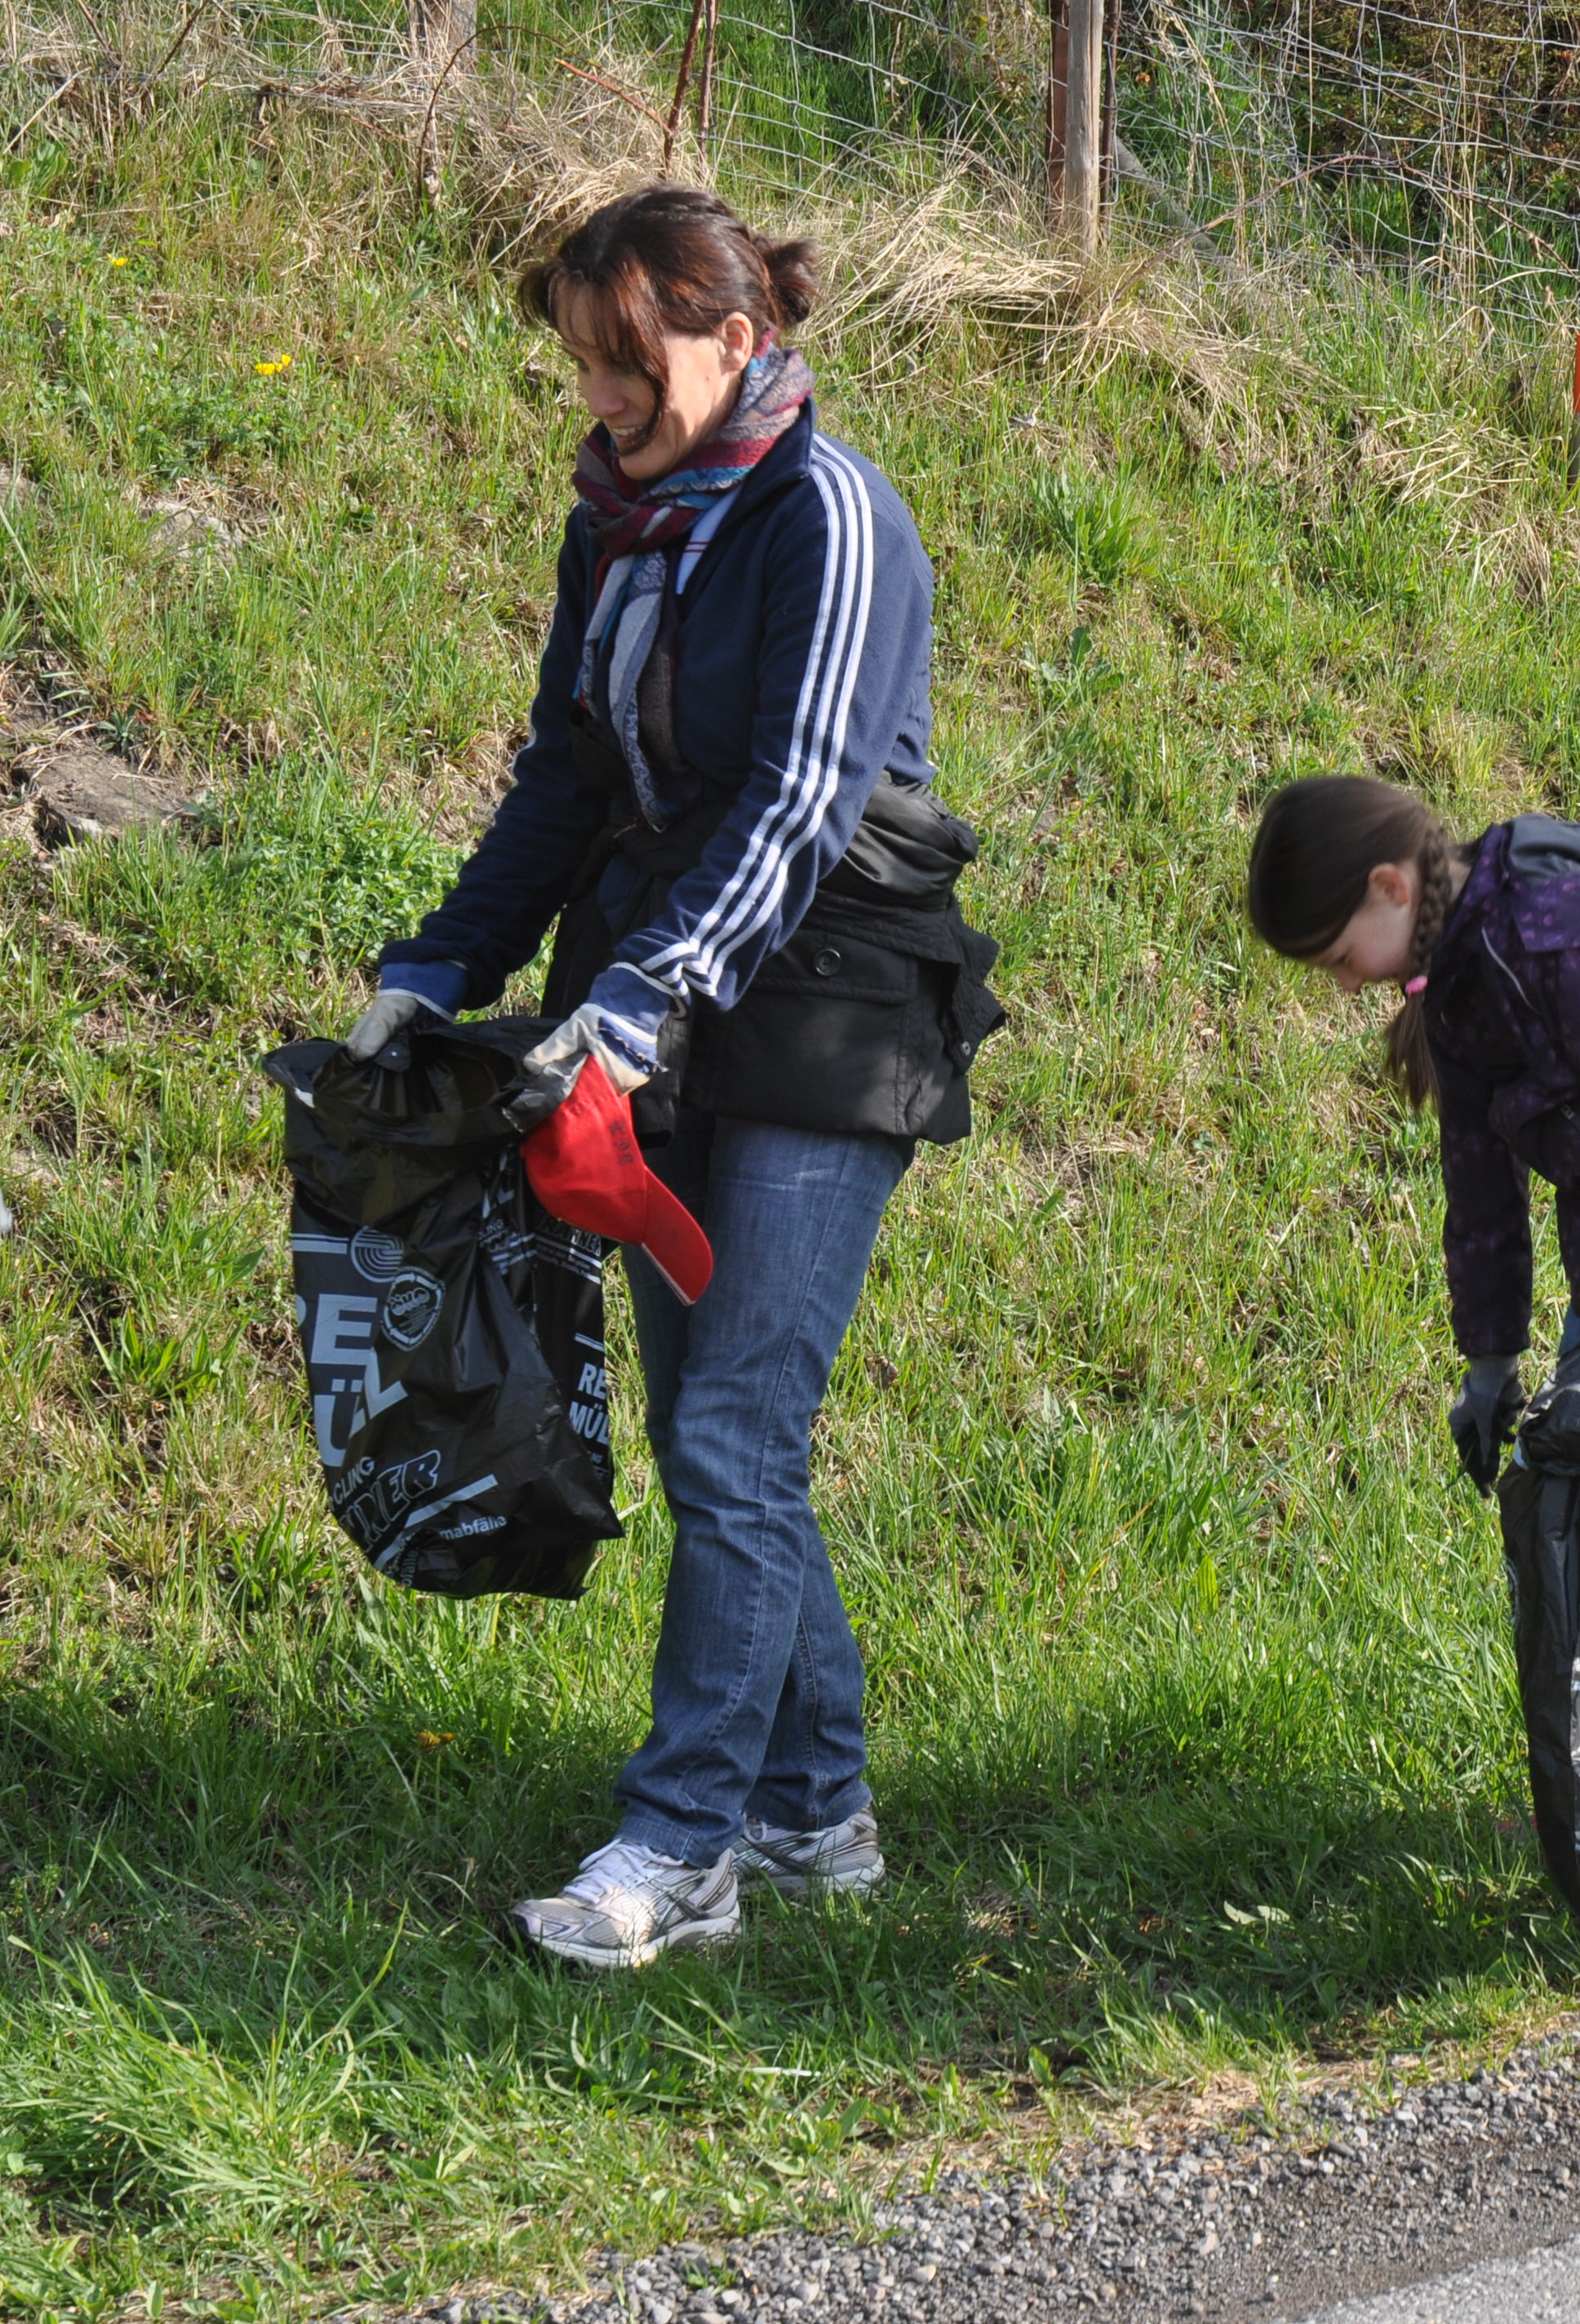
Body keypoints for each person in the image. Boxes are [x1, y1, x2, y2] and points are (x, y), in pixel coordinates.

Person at [335, 184, 999, 1969]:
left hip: (827, 1006)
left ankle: (683, 1843)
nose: (600, 393)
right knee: (724, 1432)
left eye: (627, 358)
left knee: (729, 1432)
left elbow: (800, 795)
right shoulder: (616, 529)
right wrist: (435, 965)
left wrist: (639, 993)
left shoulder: (829, 512)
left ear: (737, 336)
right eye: (580, 359)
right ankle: (815, 1809)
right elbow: (566, 776)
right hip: (659, 996)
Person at [1245, 776, 1580, 1479]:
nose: (1347, 986)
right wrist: (1490, 1361)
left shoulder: (1552, 934)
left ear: (1391, 887)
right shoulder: (1456, 973)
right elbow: (1480, 1183)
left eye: (1341, 959)